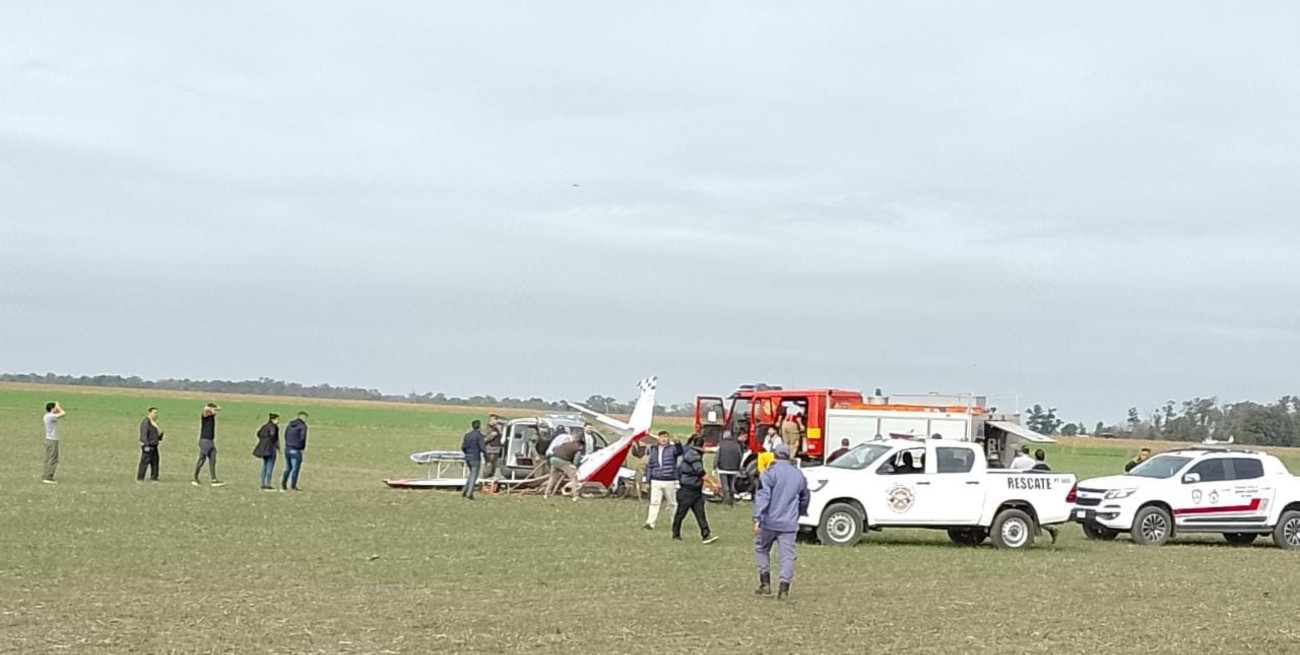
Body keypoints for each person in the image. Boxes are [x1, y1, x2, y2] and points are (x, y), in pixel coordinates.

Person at [753, 442, 810, 600]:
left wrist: (757, 517)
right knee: (787, 556)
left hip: (769, 522)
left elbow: (763, 496)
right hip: (789, 523)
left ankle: (765, 584)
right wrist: (800, 513)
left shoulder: (768, 473)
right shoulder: (798, 474)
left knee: (761, 548)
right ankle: (784, 589)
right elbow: (805, 496)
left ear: (774, 454)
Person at [671, 435, 718, 544]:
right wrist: (713, 484)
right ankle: (675, 534)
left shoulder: (692, 453)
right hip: (688, 490)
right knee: (681, 514)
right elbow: (700, 472)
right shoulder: (694, 456)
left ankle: (706, 535)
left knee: (700, 513)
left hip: (696, 490)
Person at [642, 431, 682, 530]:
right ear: (658, 439)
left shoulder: (672, 449)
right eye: (661, 437)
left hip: (669, 479)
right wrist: (648, 480)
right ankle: (650, 523)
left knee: (672, 503)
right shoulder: (653, 450)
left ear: (668, 439)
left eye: (665, 437)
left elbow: (680, 452)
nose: (663, 439)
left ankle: (675, 523)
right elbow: (650, 465)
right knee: (654, 502)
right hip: (656, 479)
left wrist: (677, 443)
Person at [192, 403, 225, 487]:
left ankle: (214, 479)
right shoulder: (205, 416)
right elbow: (205, 409)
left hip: (211, 441)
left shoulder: (212, 417)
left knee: (213, 460)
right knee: (202, 459)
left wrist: (215, 409)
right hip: (205, 440)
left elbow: (219, 409)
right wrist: (211, 409)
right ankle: (195, 478)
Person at [545, 436, 583, 500]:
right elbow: (576, 460)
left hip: (553, 459)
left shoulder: (566, 443)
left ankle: (546, 494)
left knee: (552, 477)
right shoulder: (577, 448)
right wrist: (574, 466)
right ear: (580, 445)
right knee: (573, 478)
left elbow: (554, 448)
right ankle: (575, 496)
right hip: (563, 461)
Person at [714, 430, 743, 507]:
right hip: (734, 469)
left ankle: (726, 501)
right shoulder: (736, 445)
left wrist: (714, 467)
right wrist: (738, 466)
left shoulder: (721, 444)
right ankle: (732, 500)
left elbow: (717, 456)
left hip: (723, 468)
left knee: (725, 485)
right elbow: (740, 456)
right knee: (732, 485)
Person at [252, 413, 281, 491]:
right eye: (277, 419)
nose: (278, 421)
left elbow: (258, 433)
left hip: (263, 449)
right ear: (273, 419)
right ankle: (267, 484)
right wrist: (278, 447)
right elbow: (274, 436)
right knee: (270, 467)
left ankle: (262, 483)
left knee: (264, 466)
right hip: (270, 449)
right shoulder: (274, 427)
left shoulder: (264, 426)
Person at [281, 412, 308, 491]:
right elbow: (303, 438)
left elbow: (285, 435)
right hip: (296, 449)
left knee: (288, 467)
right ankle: (293, 485)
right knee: (295, 468)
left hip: (288, 448)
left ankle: (283, 483)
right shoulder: (303, 426)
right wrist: (302, 447)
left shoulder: (289, 424)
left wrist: (288, 443)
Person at [460, 420, 486, 499]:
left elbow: (463, 447)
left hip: (468, 456)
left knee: (471, 474)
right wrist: (486, 455)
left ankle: (464, 490)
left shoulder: (467, 435)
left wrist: (467, 453)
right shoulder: (479, 436)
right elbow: (482, 448)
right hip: (475, 457)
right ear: (479, 426)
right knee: (474, 475)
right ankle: (469, 493)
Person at [42, 401, 65, 484]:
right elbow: (63, 413)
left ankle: (46, 475)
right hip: (52, 440)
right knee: (53, 458)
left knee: (48, 458)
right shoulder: (51, 416)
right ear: (52, 409)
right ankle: (48, 477)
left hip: (48, 439)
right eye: (55, 407)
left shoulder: (47, 416)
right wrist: (59, 407)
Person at [137, 407, 162, 482]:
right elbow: (144, 434)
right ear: (149, 413)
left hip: (154, 445)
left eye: (157, 413)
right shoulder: (146, 422)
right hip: (148, 445)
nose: (156, 414)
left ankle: (154, 476)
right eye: (155, 413)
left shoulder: (154, 422)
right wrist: (145, 445)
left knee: (155, 461)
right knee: (145, 461)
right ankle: (140, 477)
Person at [482, 414, 503, 478]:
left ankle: (491, 478)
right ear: (490, 419)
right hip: (490, 450)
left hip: (496, 450)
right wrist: (491, 435)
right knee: (489, 466)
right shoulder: (487, 429)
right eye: (495, 419)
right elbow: (484, 440)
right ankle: (485, 479)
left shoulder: (496, 429)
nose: (496, 421)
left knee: (493, 467)